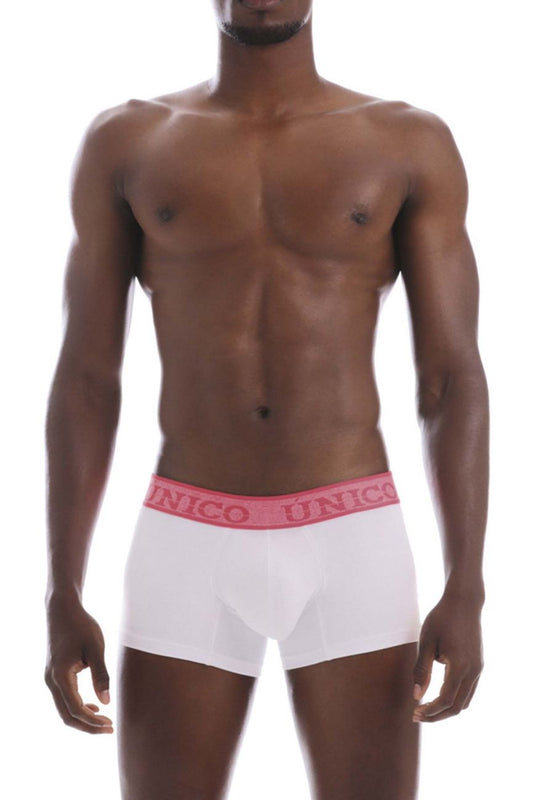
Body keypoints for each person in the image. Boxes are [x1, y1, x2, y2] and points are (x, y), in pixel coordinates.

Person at [43, 1, 489, 797]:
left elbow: (449, 379)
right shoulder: (129, 140)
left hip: (351, 536)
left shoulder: (404, 141)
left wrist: (467, 585)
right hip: (186, 537)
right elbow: (86, 380)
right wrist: (61, 587)